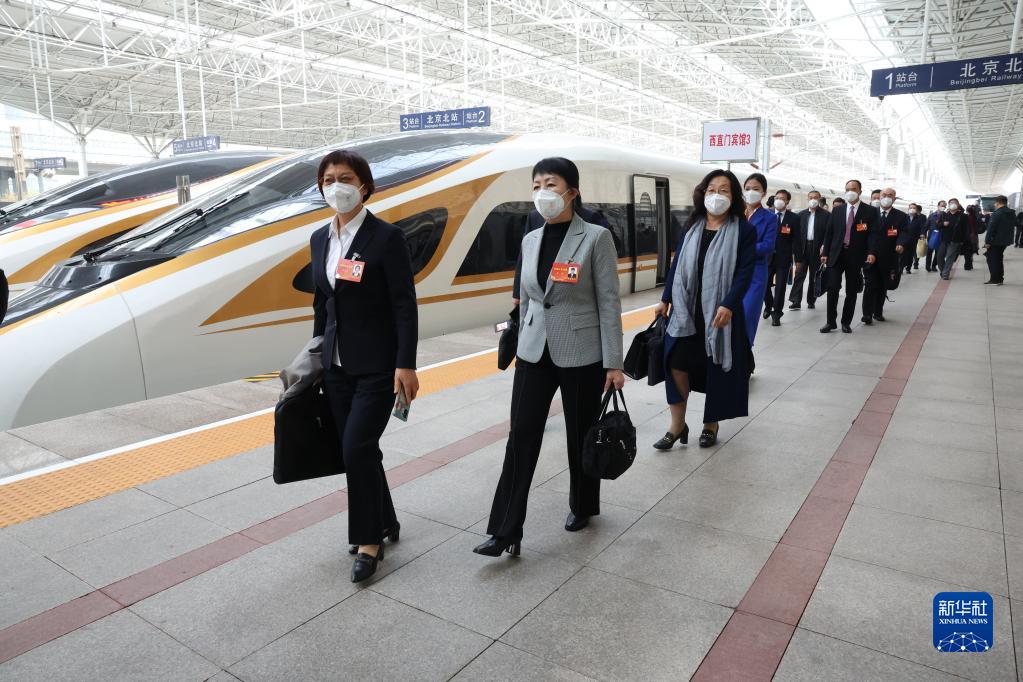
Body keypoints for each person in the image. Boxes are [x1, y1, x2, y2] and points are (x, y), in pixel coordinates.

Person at [475, 157, 624, 558]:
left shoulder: (595, 237)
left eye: (551, 184)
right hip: (533, 352)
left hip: (582, 353)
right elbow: (528, 298)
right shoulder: (530, 239)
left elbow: (609, 302)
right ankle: (505, 529)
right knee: (521, 437)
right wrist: (520, 339)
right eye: (537, 185)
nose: (543, 192)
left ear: (572, 192)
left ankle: (584, 504)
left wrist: (614, 362)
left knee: (580, 433)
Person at [310, 150, 419, 582]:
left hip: (379, 366)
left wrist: (406, 364)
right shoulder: (319, 238)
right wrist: (316, 357)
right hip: (336, 367)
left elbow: (404, 305)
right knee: (361, 449)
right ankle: (386, 519)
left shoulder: (386, 237)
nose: (336, 186)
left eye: (345, 178)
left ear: (365, 186)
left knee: (355, 448)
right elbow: (323, 303)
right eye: (328, 179)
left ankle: (369, 541)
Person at [653, 169, 755, 451]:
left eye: (723, 190)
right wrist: (665, 298)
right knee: (675, 363)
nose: (716, 195)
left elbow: (745, 271)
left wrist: (729, 303)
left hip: (720, 314)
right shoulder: (692, 225)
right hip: (685, 311)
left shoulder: (743, 230)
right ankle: (677, 425)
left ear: (733, 196)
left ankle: (711, 424)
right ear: (703, 193)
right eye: (711, 189)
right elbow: (677, 264)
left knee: (715, 367)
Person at [512, 204, 612, 304]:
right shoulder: (533, 218)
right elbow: (525, 257)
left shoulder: (590, 217)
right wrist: (517, 293)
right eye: (537, 189)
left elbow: (607, 292)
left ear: (573, 195)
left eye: (551, 187)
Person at [820, 179, 881, 334]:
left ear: (860, 191)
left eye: (853, 189)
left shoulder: (870, 211)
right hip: (836, 254)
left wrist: (871, 252)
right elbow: (829, 233)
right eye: (847, 189)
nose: (850, 192)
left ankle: (846, 322)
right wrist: (825, 252)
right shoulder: (838, 210)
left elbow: (873, 235)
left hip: (856, 256)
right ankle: (830, 322)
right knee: (832, 287)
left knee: (851, 290)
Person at [862, 187, 911, 324]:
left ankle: (878, 312)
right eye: (884, 194)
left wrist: (901, 243)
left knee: (882, 286)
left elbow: (904, 232)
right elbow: (863, 233)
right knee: (870, 285)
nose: (887, 197)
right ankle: (867, 314)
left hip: (889, 257)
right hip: (870, 256)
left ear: (894, 198)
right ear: (879, 196)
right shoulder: (870, 214)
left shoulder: (901, 216)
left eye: (890, 195)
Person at [740, 173, 775, 345]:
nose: (751, 192)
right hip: (731, 271)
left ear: (764, 192)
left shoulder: (770, 218)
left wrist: (742, 248)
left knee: (748, 315)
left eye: (756, 189)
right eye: (747, 189)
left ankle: (745, 354)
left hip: (755, 273)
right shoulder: (735, 214)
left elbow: (768, 246)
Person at [762, 189, 802, 326]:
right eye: (777, 197)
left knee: (780, 288)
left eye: (782, 198)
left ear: (787, 201)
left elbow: (797, 240)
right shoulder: (767, 215)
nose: (779, 200)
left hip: (783, 258)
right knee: (764, 284)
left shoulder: (794, 218)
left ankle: (777, 313)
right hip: (766, 257)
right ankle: (768, 304)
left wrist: (798, 259)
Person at [790, 190, 828, 310]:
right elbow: (795, 235)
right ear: (807, 198)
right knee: (799, 274)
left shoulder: (826, 215)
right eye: (811, 197)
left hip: (817, 249)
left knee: (814, 276)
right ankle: (796, 301)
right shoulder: (801, 215)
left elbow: (828, 234)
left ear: (819, 198)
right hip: (803, 248)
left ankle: (811, 300)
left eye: (815, 197)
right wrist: (795, 251)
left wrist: (825, 248)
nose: (813, 199)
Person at [984, 195, 1014, 285]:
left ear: (997, 203)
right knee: (999, 259)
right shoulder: (1012, 213)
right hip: (1006, 240)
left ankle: (995, 279)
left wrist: (987, 242)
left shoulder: (997, 213)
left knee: (992, 260)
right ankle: (1000, 279)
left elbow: (991, 229)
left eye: (995, 203)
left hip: (995, 241)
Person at [938, 198, 969, 280]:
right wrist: (943, 224)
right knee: (939, 257)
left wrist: (963, 240)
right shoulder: (944, 214)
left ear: (958, 205)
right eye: (951, 203)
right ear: (948, 205)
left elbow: (966, 229)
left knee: (949, 257)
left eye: (955, 203)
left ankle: (945, 274)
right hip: (944, 240)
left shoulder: (963, 216)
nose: (953, 204)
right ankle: (943, 271)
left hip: (955, 240)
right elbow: (937, 225)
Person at [904, 203, 927, 273]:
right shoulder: (904, 217)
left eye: (914, 208)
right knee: (903, 254)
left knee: (911, 254)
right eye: (911, 208)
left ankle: (908, 268)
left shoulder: (919, 218)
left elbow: (923, 227)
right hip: (904, 238)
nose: (912, 209)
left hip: (914, 239)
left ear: (916, 210)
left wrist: (922, 234)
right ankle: (901, 267)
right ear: (908, 209)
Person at [926, 200, 947, 271]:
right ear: (938, 206)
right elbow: (926, 225)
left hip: (941, 237)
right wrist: (922, 233)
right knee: (929, 252)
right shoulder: (932, 215)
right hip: (931, 237)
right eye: (942, 205)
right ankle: (927, 266)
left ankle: (934, 266)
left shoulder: (946, 215)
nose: (943, 207)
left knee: (938, 253)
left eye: (944, 206)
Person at [964, 204, 979, 271]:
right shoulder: (975, 217)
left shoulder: (967, 217)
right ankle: (970, 264)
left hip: (968, 235)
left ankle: (968, 265)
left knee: (967, 251)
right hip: (974, 235)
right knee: (971, 249)